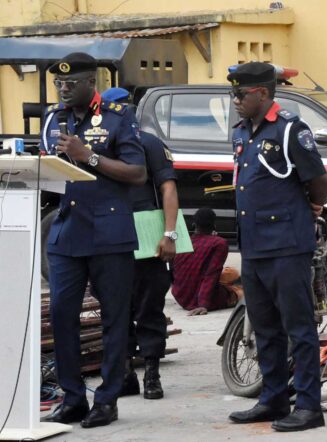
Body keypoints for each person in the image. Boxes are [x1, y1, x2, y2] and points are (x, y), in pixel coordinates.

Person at [40, 53, 147, 428]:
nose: (64, 89)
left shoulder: (119, 118)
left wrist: (90, 157)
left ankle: (108, 398)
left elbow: (136, 172)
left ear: (91, 83)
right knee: (61, 315)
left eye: (71, 83)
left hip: (109, 233)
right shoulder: (53, 118)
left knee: (115, 319)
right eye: (59, 84)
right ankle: (73, 397)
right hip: (67, 232)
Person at [226, 62, 327, 432]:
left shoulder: (290, 130)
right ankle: (272, 398)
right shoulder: (241, 133)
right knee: (266, 328)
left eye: (241, 94)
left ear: (264, 94)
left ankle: (308, 406)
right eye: (233, 93)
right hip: (253, 246)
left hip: (287, 245)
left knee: (299, 328)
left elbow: (318, 179)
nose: (235, 100)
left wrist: (313, 207)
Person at [99, 88, 179, 401]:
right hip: (109, 239)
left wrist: (169, 234)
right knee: (115, 311)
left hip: (146, 238)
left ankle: (152, 374)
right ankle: (127, 375)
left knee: (149, 308)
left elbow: (168, 189)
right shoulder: (99, 147)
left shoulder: (149, 143)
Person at [171, 208, 238, 315]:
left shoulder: (185, 241)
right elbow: (211, 274)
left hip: (181, 297)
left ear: (194, 224)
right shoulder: (219, 243)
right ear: (214, 225)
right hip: (201, 299)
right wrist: (203, 304)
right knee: (238, 289)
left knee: (230, 273)